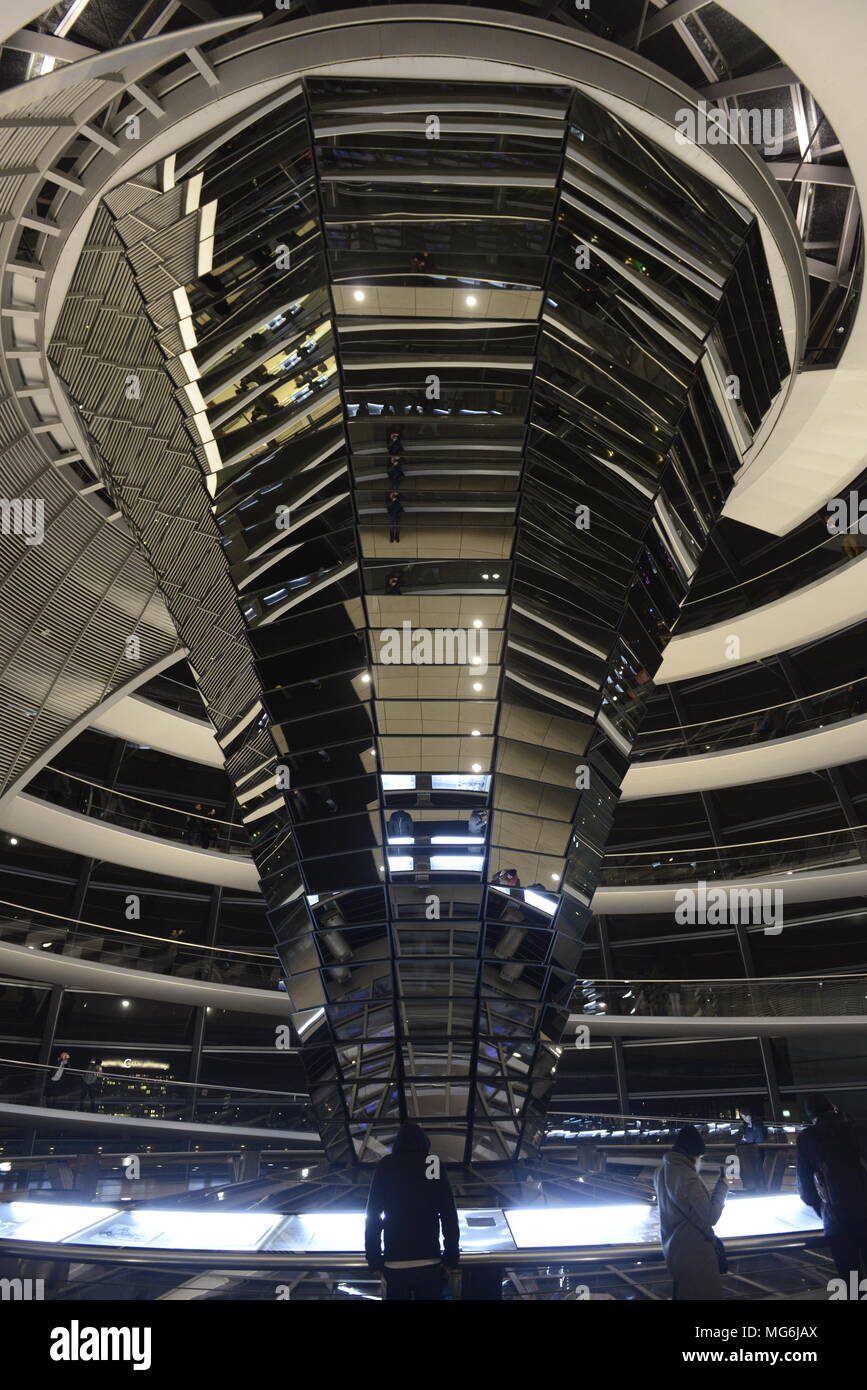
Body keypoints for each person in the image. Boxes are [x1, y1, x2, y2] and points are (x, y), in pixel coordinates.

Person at [364, 1121, 459, 1300]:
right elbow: (448, 1214)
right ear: (424, 1141)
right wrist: (451, 1257)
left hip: (395, 1261)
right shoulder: (432, 1163)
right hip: (429, 1260)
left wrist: (374, 1260)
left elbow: (373, 1216)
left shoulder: (386, 1165)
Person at [796, 1093, 867, 1280]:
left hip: (838, 1217)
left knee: (850, 1276)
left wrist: (822, 1209)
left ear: (810, 1115)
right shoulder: (859, 1128)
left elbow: (805, 1188)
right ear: (833, 1107)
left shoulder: (807, 1138)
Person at [654, 1124, 728, 1300]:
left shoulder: (660, 1171)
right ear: (694, 1154)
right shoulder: (687, 1176)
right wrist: (723, 1186)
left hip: (674, 1249)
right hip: (695, 1253)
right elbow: (711, 1216)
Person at [735, 1104, 768, 1191]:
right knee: (754, 1171)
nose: (743, 1119)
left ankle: (758, 1187)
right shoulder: (747, 1125)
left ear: (748, 1115)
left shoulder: (756, 1124)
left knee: (757, 1171)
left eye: (744, 1116)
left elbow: (759, 1138)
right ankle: (756, 1187)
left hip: (755, 1152)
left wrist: (747, 1140)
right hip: (751, 1151)